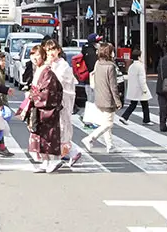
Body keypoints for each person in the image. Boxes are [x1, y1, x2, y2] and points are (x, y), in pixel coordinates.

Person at [26, 44, 65, 173]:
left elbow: (47, 92)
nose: (34, 58)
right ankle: (45, 161)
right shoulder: (39, 70)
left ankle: (54, 160)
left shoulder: (47, 72)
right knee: (41, 135)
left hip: (48, 108)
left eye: (37, 55)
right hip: (40, 108)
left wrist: (33, 97)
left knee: (49, 135)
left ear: (43, 56)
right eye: (32, 55)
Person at [44, 39, 82, 169]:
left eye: (53, 50)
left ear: (58, 50)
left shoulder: (63, 65)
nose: (51, 53)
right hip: (54, 101)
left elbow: (55, 82)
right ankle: (71, 152)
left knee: (61, 127)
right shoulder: (52, 64)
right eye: (48, 50)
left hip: (63, 101)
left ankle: (71, 151)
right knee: (57, 128)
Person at [82, 43, 122, 154]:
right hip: (108, 98)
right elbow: (113, 86)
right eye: (112, 51)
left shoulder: (98, 63)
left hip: (99, 97)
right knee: (108, 123)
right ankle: (90, 138)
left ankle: (110, 145)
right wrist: (118, 101)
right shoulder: (111, 66)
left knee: (105, 122)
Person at [120, 48, 152, 124]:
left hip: (133, 89)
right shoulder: (140, 66)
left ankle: (124, 117)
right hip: (140, 89)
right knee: (145, 105)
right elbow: (142, 79)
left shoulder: (131, 66)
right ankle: (146, 120)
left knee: (133, 104)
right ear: (139, 57)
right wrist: (144, 89)